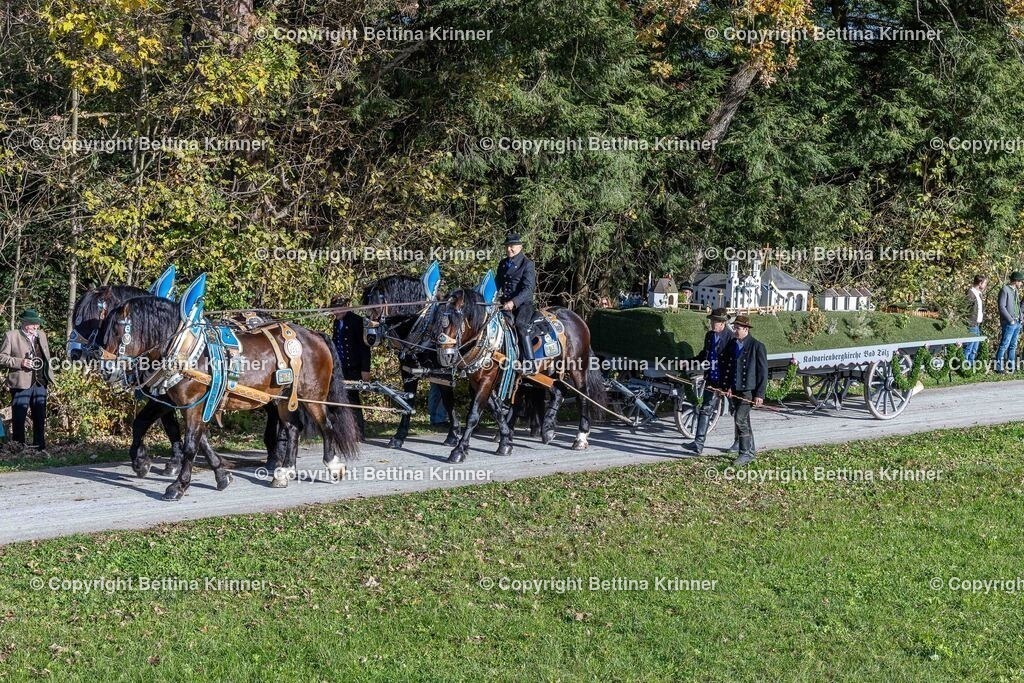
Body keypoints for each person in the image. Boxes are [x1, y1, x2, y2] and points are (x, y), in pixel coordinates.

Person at [0, 310, 54, 452]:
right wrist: (21, 362)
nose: (36, 326)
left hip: (40, 381)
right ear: (24, 323)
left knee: (40, 416)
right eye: (33, 324)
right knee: (19, 417)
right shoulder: (11, 336)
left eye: (37, 324)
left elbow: (46, 357)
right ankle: (18, 448)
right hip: (20, 382)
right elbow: (2, 358)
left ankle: (39, 448)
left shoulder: (41, 335)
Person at [684, 308, 734, 455]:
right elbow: (703, 355)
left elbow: (735, 364)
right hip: (712, 379)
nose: (712, 324)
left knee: (737, 412)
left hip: (727, 381)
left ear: (723, 323)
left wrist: (730, 386)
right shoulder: (710, 336)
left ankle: (740, 443)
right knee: (706, 409)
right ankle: (698, 443)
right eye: (711, 321)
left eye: (715, 322)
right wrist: (689, 362)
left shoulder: (731, 338)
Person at [719, 315, 767, 467]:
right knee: (745, 420)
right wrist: (727, 387)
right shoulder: (733, 345)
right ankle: (751, 451)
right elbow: (730, 368)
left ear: (746, 329)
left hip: (749, 391)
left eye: (738, 328)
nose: (735, 331)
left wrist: (759, 394)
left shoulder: (757, 346)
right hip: (735, 389)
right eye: (734, 328)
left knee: (739, 419)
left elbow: (763, 373)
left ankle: (744, 453)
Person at [330, 296, 372, 439]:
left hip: (354, 367)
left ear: (346, 307)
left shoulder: (357, 321)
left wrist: (365, 370)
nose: (335, 312)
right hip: (341, 367)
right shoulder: (337, 322)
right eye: (333, 310)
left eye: (337, 309)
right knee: (341, 398)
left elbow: (364, 348)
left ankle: (359, 432)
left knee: (353, 399)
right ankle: (345, 430)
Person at [496, 232, 537, 375]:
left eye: (512, 246)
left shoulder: (527, 264)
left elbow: (528, 289)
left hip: (523, 305)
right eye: (507, 246)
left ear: (520, 247)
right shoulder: (502, 263)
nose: (509, 249)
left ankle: (530, 364)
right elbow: (497, 284)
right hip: (504, 305)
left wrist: (513, 302)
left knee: (520, 325)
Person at [995, 272, 1023, 373]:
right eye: (1020, 281)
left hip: (1017, 322)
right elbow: (1001, 307)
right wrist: (1010, 320)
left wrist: (1021, 317)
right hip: (1009, 323)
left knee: (1013, 346)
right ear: (1015, 281)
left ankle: (1012, 367)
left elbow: (1017, 306)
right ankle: (998, 368)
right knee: (1004, 345)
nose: (1021, 283)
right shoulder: (1005, 290)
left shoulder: (1015, 290)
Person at [964, 275, 987, 364]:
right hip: (971, 323)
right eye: (984, 283)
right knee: (969, 347)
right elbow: (965, 309)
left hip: (977, 324)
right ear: (980, 283)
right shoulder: (970, 293)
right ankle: (965, 365)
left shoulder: (979, 293)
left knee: (975, 347)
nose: (985, 285)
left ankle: (971, 365)